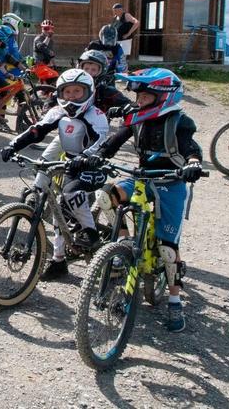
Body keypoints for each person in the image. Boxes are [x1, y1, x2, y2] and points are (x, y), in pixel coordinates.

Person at [89, 68, 204, 332]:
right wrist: (97, 155)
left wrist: (193, 164)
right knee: (105, 195)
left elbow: (190, 148)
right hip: (141, 179)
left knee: (168, 248)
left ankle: (175, 300)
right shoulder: (136, 118)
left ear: (164, 97)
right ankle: (124, 243)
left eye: (144, 97)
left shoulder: (180, 121)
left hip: (170, 183)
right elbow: (115, 141)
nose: (138, 101)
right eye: (137, 97)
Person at [0, 69, 110, 281]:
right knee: (58, 211)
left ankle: (90, 233)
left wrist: (85, 157)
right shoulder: (58, 112)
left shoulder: (96, 115)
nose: (71, 97)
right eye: (67, 92)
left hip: (91, 166)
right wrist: (12, 146)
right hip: (68, 163)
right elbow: (36, 131)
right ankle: (58, 261)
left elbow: (101, 142)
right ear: (60, 93)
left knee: (69, 195)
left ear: (89, 92)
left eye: (77, 92)